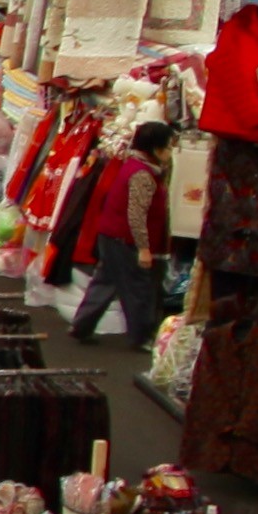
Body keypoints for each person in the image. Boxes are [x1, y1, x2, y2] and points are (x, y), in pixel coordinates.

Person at [67, 120, 179, 349]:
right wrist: (144, 248)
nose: (170, 153)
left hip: (110, 234)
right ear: (156, 149)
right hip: (124, 239)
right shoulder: (143, 175)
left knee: (105, 281)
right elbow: (136, 215)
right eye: (168, 147)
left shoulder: (133, 165)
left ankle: (82, 325)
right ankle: (141, 337)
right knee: (138, 288)